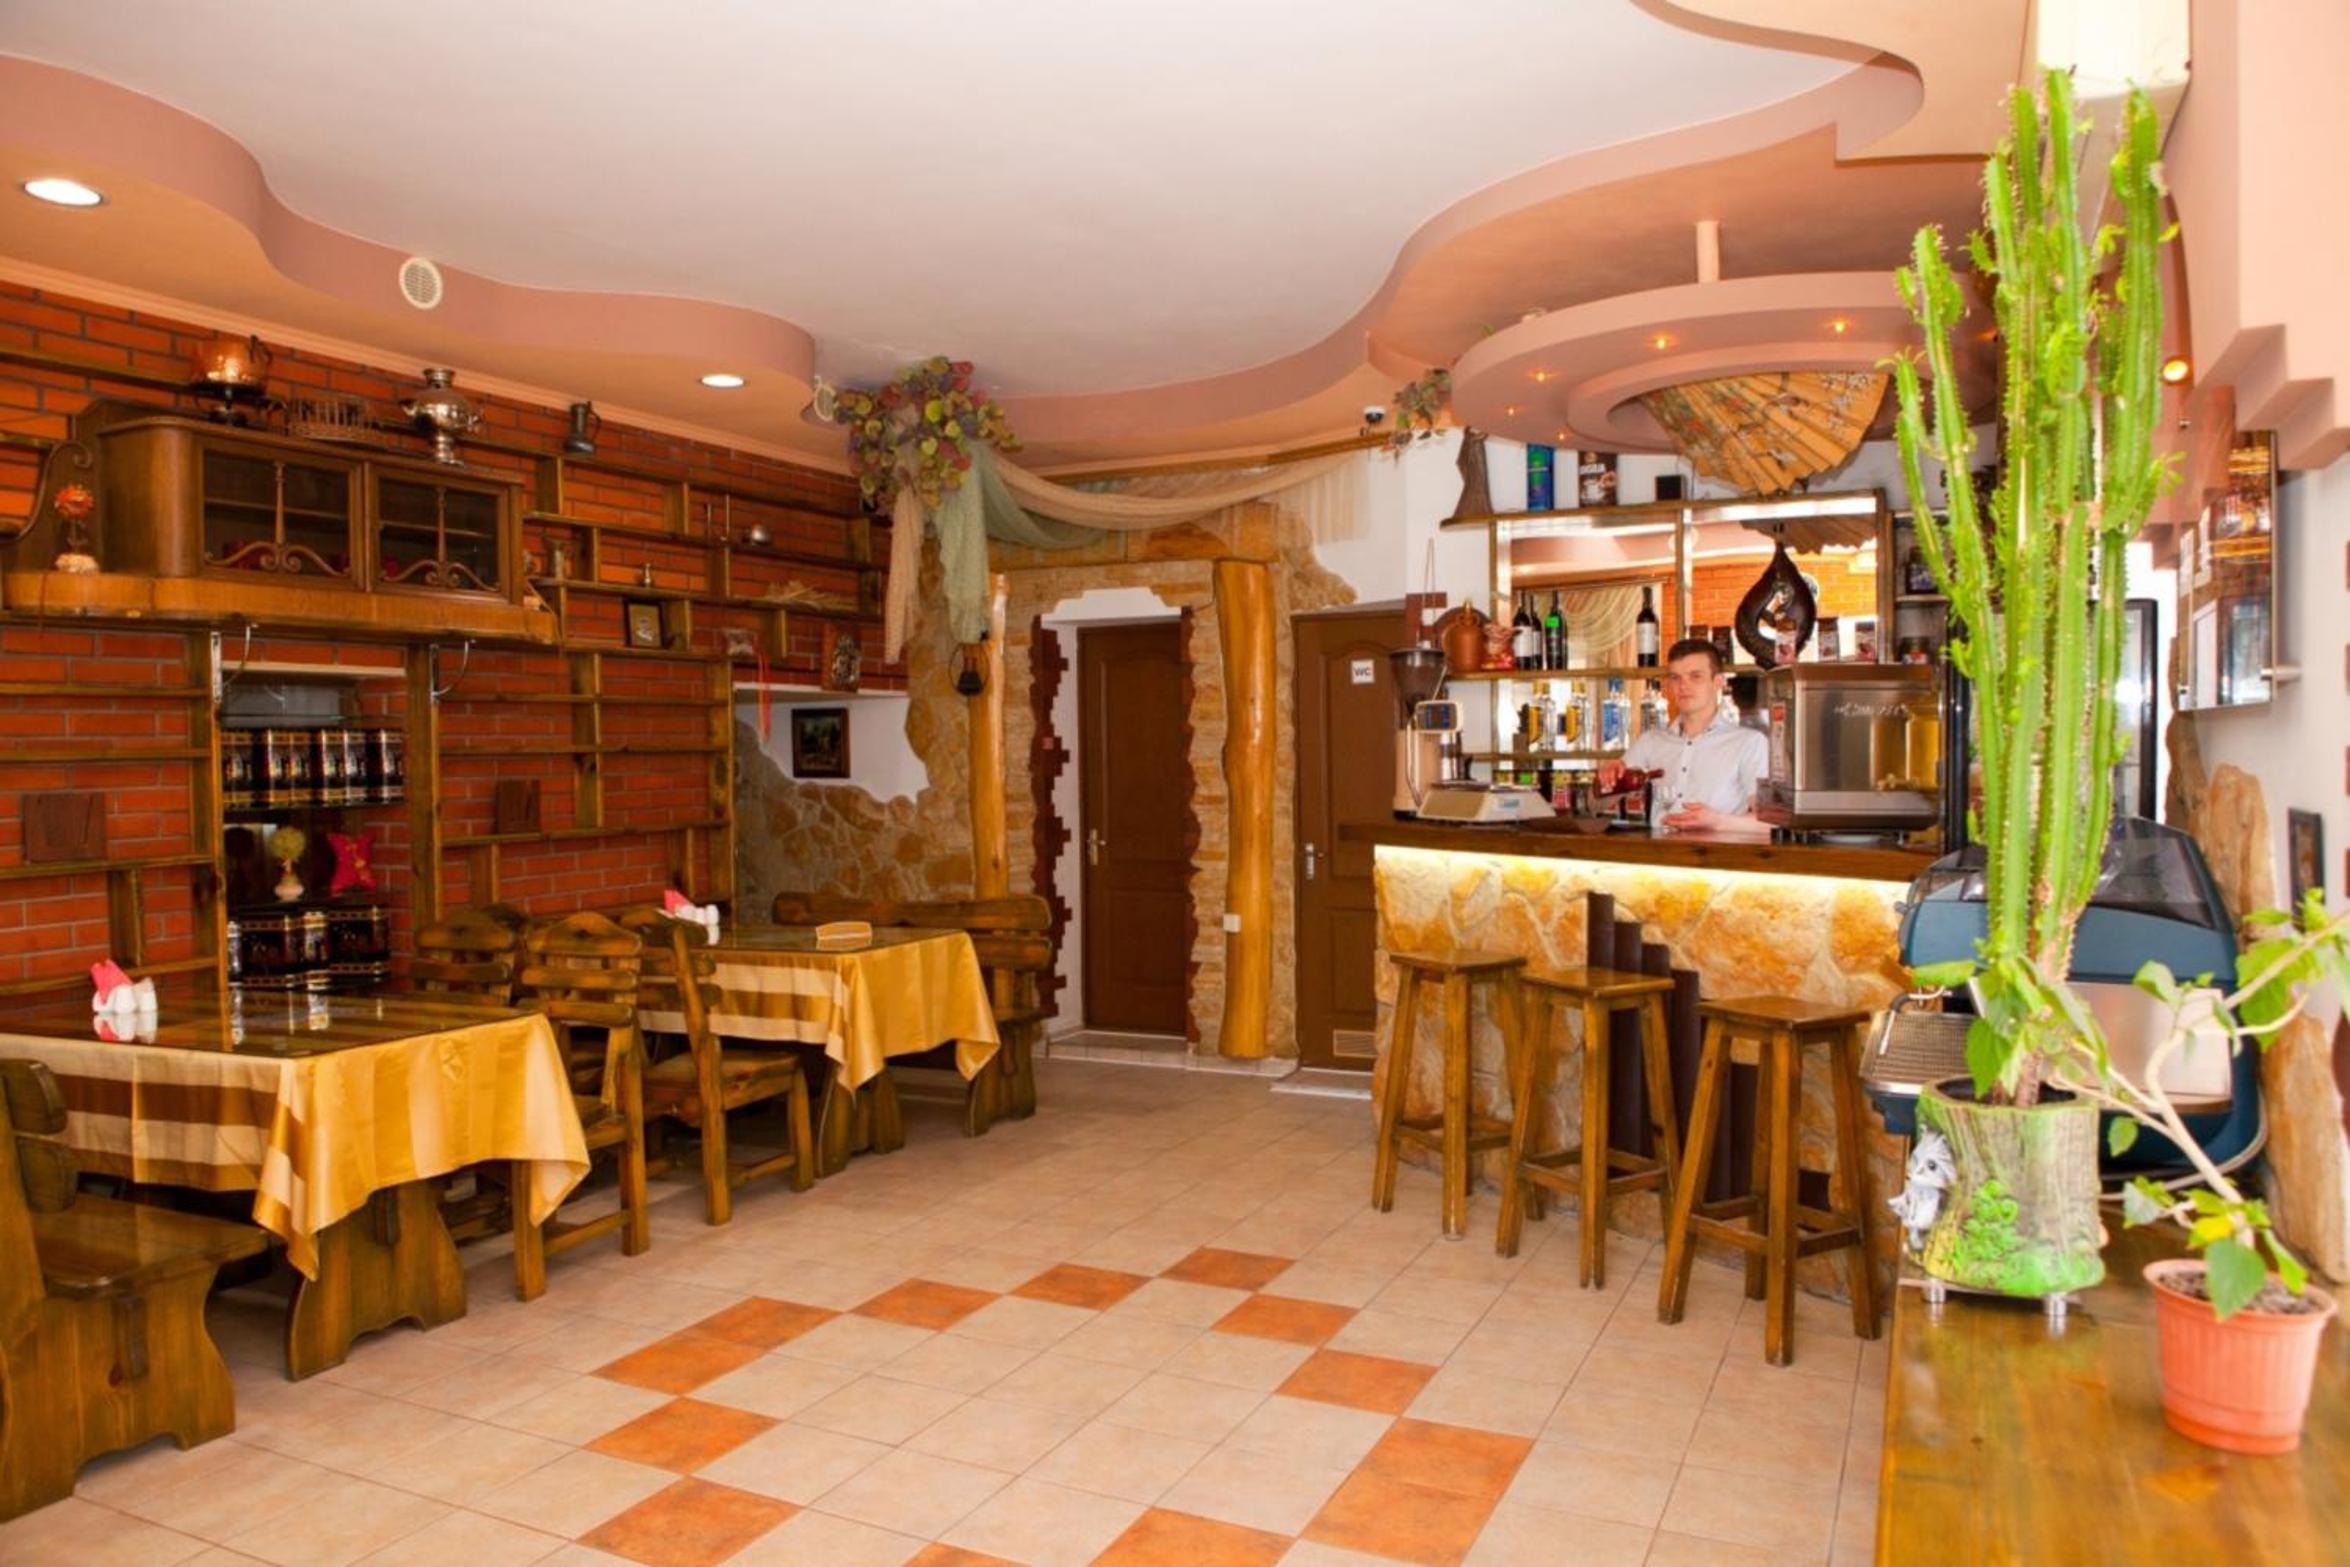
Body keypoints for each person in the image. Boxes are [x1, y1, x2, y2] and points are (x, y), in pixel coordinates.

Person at [1596, 637, 1769, 836]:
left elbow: (1769, 823)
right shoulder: (1650, 741)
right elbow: (1596, 807)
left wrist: (1717, 822)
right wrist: (1605, 779)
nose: (1683, 686)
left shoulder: (1749, 743)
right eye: (1676, 678)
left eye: (1695, 676)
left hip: (1716, 853)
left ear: (1718, 682)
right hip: (1657, 853)